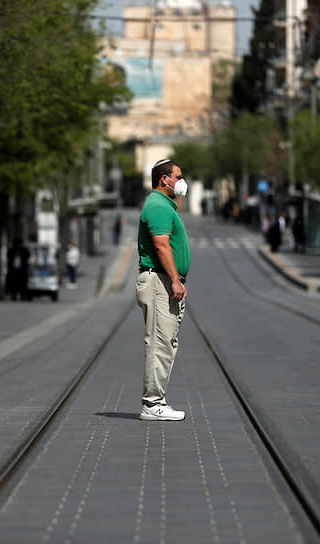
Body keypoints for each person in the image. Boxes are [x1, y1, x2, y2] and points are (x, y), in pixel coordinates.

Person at [136, 159, 190, 422]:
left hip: (163, 281)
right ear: (164, 179)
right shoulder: (157, 206)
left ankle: (157, 400)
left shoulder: (163, 205)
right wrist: (175, 281)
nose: (181, 182)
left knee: (166, 343)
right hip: (159, 282)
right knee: (159, 343)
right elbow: (161, 245)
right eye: (178, 177)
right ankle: (152, 403)